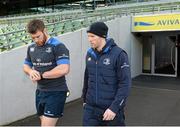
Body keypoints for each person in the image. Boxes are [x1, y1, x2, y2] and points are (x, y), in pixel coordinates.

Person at [82, 21, 131, 126]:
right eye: (88, 36)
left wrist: (114, 108)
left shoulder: (119, 55)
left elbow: (125, 84)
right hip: (91, 110)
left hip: (111, 111)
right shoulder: (89, 54)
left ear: (102, 36)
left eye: (92, 36)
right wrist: (85, 100)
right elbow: (87, 78)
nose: (89, 39)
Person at [23, 19, 70, 126]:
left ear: (45, 31)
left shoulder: (58, 46)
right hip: (40, 92)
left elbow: (64, 68)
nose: (36, 40)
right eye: (33, 37)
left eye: (38, 36)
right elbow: (26, 65)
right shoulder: (31, 48)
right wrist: (30, 72)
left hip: (56, 91)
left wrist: (42, 75)